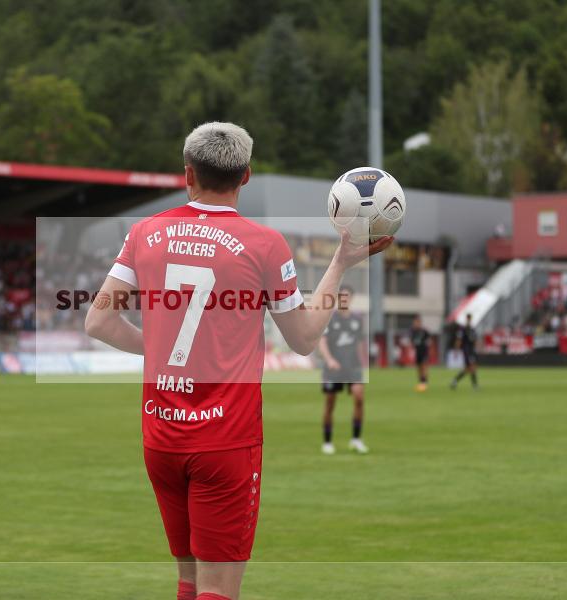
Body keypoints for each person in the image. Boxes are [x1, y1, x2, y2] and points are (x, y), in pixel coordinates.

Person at [85, 122, 393, 600]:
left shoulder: (144, 232)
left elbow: (98, 323)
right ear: (246, 176)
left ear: (187, 174)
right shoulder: (265, 245)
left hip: (161, 436)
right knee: (218, 589)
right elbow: (305, 339)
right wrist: (340, 265)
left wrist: (161, 350)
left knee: (189, 583)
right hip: (225, 441)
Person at [318, 285, 368, 455]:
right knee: (330, 403)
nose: (344, 299)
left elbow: (360, 342)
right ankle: (327, 441)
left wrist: (364, 361)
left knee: (359, 399)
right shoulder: (330, 319)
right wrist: (329, 359)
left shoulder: (358, 319)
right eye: (341, 297)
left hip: (353, 367)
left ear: (352, 298)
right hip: (333, 369)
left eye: (347, 296)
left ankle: (356, 439)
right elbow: (322, 341)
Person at [450, 313, 479, 390]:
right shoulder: (463, 330)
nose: (469, 320)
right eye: (468, 319)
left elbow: (475, 340)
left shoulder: (472, 329)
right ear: (466, 319)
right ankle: (475, 385)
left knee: (468, 369)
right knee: (472, 367)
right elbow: (458, 340)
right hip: (466, 350)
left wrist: (477, 348)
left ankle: (455, 381)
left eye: (470, 319)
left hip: (472, 350)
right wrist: (456, 351)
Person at [411, 316, 430, 392]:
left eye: (417, 322)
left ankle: (424, 382)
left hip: (424, 351)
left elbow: (428, 341)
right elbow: (412, 341)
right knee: (418, 367)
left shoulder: (424, 331)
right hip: (417, 351)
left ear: (420, 323)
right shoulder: (413, 331)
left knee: (423, 366)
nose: (415, 324)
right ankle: (420, 382)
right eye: (415, 322)